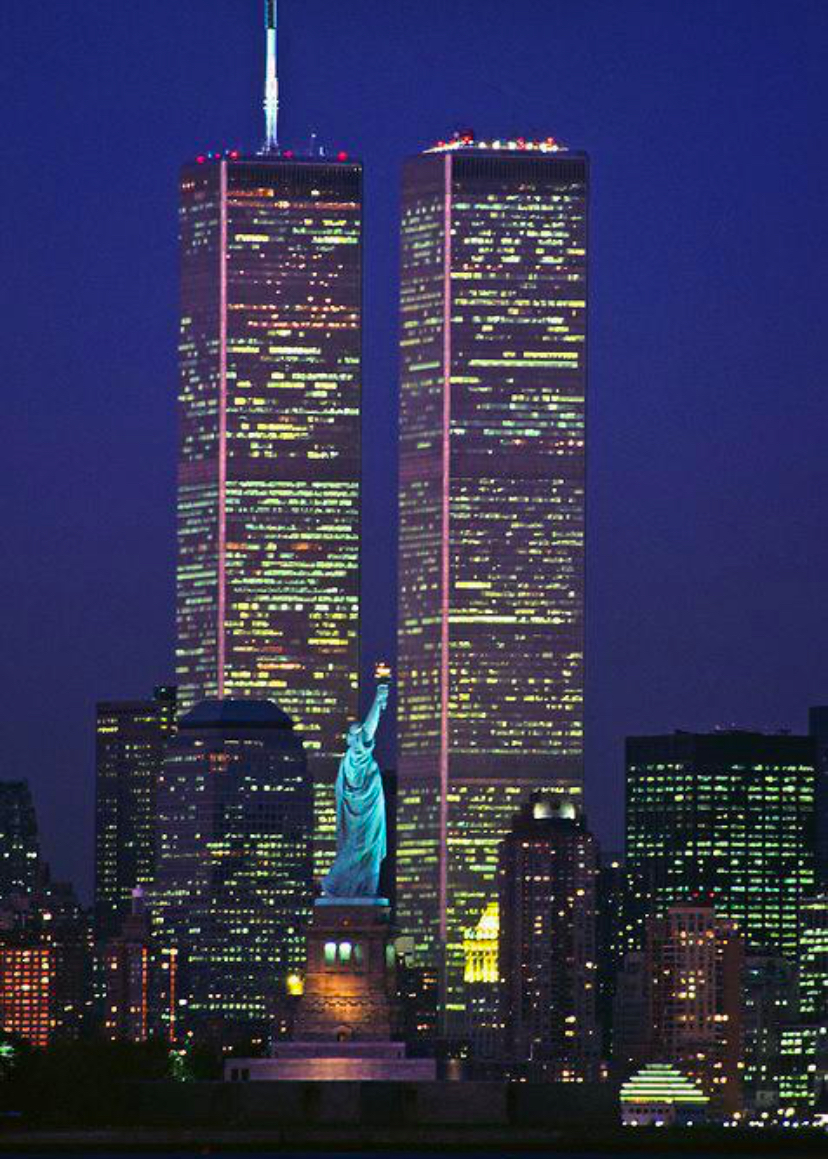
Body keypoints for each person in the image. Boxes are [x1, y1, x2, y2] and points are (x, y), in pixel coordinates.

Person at [321, 682, 389, 899]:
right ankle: (334, 884)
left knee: (372, 850)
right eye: (355, 735)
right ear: (350, 740)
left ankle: (367, 891)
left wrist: (378, 703)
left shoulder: (359, 756)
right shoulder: (352, 758)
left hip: (370, 810)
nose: (360, 737)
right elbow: (369, 729)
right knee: (357, 848)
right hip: (356, 816)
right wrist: (377, 702)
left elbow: (369, 729)